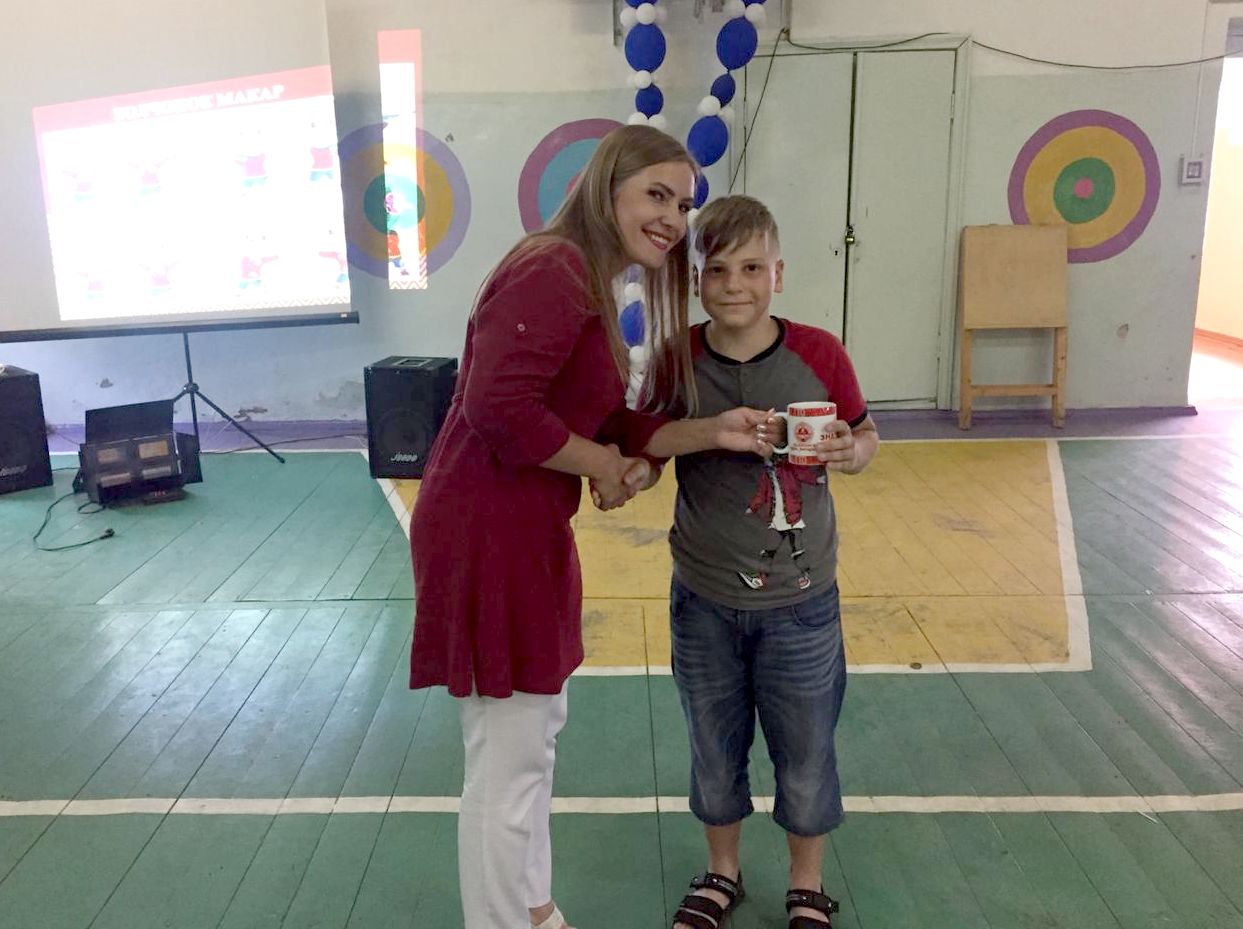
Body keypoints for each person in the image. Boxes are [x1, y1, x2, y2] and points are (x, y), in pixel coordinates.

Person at [408, 126, 772, 929]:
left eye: (683, 203)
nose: (673, 217)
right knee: (506, 759)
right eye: (656, 194)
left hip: (524, 524)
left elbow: (599, 418)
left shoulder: (588, 279)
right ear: (606, 188)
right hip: (487, 528)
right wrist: (603, 464)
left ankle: (534, 909)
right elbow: (497, 407)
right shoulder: (555, 268)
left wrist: (707, 432)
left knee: (530, 738)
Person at [656, 195, 879, 929]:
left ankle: (806, 882)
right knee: (713, 748)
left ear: (777, 274)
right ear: (696, 280)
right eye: (716, 270)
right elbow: (646, 443)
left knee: (806, 753)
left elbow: (866, 433)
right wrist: (703, 434)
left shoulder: (820, 353)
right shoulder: (676, 360)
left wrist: (850, 450)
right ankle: (722, 871)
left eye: (752, 268)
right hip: (703, 598)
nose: (734, 285)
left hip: (802, 600)